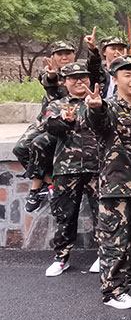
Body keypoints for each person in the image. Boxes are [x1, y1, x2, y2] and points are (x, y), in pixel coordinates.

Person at [85, 56, 131, 309]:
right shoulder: (109, 106)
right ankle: (113, 291)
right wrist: (95, 108)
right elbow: (99, 123)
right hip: (117, 184)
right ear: (115, 79)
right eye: (127, 75)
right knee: (115, 239)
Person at [41, 62, 100, 277]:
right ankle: (61, 258)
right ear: (65, 82)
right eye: (73, 78)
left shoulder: (98, 102)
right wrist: (64, 121)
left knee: (103, 213)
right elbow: (49, 125)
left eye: (83, 77)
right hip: (67, 167)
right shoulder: (58, 104)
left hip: (97, 167)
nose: (79, 81)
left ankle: (104, 255)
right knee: (65, 215)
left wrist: (97, 108)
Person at [14, 40, 77, 212]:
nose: (64, 57)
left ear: (74, 55)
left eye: (68, 53)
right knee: (20, 148)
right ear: (52, 56)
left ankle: (36, 188)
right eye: (59, 54)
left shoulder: (80, 72)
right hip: (46, 118)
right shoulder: (48, 71)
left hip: (67, 120)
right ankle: (48, 181)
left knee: (39, 144)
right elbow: (48, 82)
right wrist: (52, 75)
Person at [88, 35, 128, 100]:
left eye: (120, 49)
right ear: (104, 52)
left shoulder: (129, 72)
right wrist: (93, 49)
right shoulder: (99, 71)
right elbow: (93, 65)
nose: (117, 52)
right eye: (113, 49)